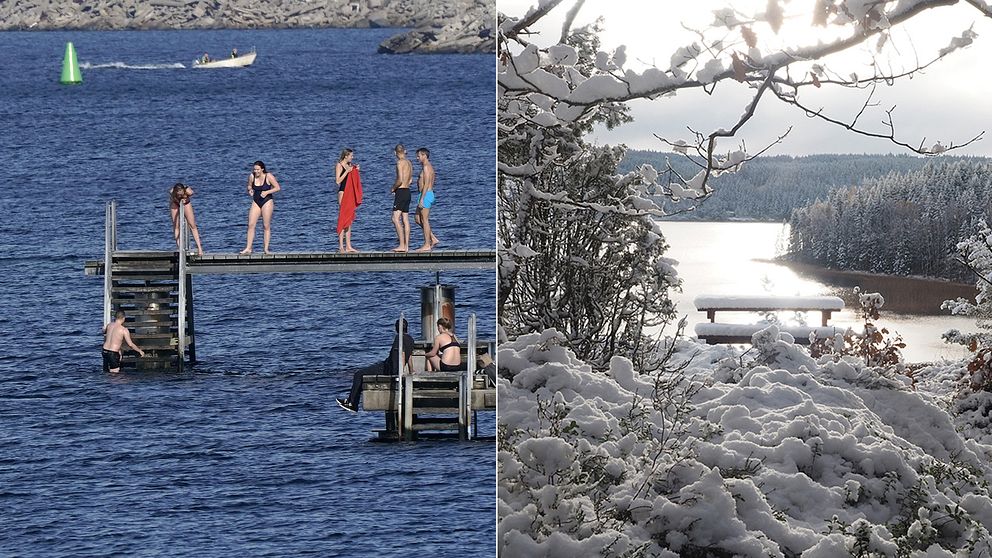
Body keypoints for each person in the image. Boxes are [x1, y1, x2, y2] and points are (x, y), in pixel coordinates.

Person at [337, 318, 416, 412]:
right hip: (388, 366)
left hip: (387, 368)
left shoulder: (398, 339)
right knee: (364, 372)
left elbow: (402, 354)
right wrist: (411, 370)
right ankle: (351, 402)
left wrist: (400, 372)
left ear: (396, 328)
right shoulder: (411, 339)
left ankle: (352, 403)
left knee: (358, 374)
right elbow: (410, 356)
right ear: (407, 328)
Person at [240, 160, 281, 254]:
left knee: (266, 226)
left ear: (262, 169)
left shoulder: (268, 176)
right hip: (256, 201)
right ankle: (248, 248)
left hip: (267, 201)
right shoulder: (252, 176)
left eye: (258, 169)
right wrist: (250, 190)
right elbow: (249, 186)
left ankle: (266, 249)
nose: (256, 171)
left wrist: (267, 192)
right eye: (254, 169)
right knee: (251, 224)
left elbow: (277, 188)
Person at [335, 149, 362, 253]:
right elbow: (338, 181)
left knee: (349, 220)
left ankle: (349, 246)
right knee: (343, 218)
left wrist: (355, 171)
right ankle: (341, 246)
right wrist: (347, 171)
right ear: (346, 156)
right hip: (343, 193)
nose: (352, 157)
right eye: (351, 155)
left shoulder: (350, 165)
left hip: (350, 193)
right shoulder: (339, 165)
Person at [414, 147, 439, 252]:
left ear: (424, 155)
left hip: (426, 195)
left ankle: (427, 244)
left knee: (424, 220)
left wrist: (422, 199)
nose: (417, 158)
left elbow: (427, 184)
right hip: (424, 194)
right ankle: (433, 238)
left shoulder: (427, 167)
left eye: (418, 156)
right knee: (417, 219)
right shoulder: (426, 167)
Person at [169, 183, 204, 256]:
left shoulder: (188, 191)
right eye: (177, 194)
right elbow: (171, 197)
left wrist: (184, 199)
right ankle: (179, 247)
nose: (179, 195)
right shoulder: (172, 192)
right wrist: (176, 200)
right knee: (176, 226)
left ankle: (199, 248)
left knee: (192, 225)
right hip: (175, 203)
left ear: (183, 191)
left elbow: (192, 193)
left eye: (180, 194)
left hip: (186, 203)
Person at [390, 144, 413, 252]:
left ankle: (402, 245)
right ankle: (406, 246)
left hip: (401, 191)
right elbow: (410, 180)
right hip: (408, 191)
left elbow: (400, 179)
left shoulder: (399, 163)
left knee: (395, 219)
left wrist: (393, 188)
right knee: (405, 219)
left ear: (395, 153)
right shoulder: (409, 162)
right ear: (405, 151)